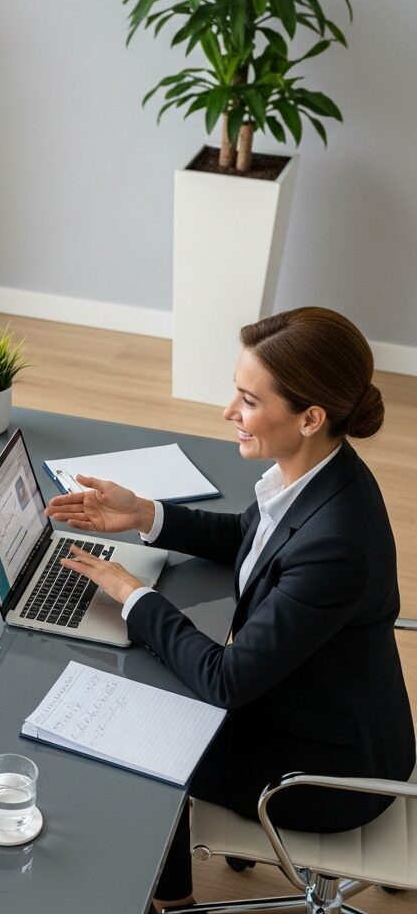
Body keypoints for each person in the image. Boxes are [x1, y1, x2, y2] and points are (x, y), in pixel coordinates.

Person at [45, 307, 414, 911]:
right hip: (335, 718)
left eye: (247, 400)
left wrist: (132, 595)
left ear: (309, 417)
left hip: (321, 774)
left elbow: (225, 681)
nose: (228, 413)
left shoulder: (336, 544)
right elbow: (250, 540)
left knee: (133, 739)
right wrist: (143, 514)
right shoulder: (320, 475)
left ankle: (172, 901)